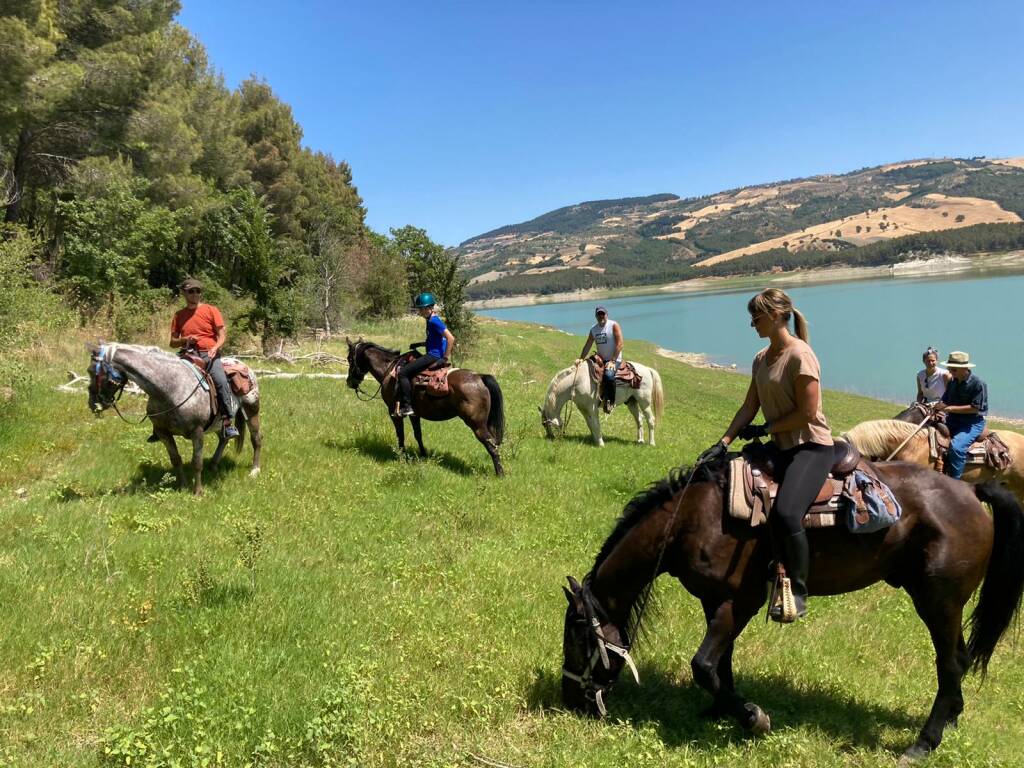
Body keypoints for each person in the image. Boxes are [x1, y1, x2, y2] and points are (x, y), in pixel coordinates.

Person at [696, 288, 833, 622]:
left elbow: (808, 413)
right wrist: (723, 442)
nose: (752, 324)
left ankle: (798, 589)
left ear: (774, 316)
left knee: (787, 513)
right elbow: (748, 406)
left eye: (755, 318)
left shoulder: (801, 355)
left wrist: (766, 428)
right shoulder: (760, 359)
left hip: (811, 446)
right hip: (781, 445)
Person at [168, 277, 238, 439]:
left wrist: (215, 348)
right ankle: (161, 422)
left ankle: (228, 422)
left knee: (220, 381)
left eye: (198, 291)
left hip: (208, 354)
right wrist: (185, 340)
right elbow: (172, 342)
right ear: (184, 293)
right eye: (191, 291)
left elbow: (222, 336)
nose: (195, 294)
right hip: (187, 354)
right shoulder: (179, 315)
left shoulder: (211, 310)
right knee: (166, 379)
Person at [395, 292, 456, 417]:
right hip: (433, 353)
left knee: (403, 373)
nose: (421, 311)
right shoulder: (430, 320)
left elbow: (450, 338)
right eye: (420, 309)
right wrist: (420, 344)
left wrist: (444, 358)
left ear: (430, 308)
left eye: (423, 309)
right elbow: (437, 339)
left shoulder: (434, 321)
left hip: (433, 356)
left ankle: (408, 407)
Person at [933, 350, 987, 479]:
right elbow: (946, 400)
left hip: (971, 424)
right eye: (949, 368)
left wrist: (950, 409)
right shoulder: (952, 381)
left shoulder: (978, 384)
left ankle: (955, 482)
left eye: (954, 369)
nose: (950, 372)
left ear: (965, 369)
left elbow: (976, 408)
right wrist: (938, 407)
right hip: (952, 420)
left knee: (956, 447)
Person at [576, 306, 623, 413]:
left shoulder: (613, 325)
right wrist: (581, 359)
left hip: (614, 359)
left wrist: (613, 361)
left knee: (609, 376)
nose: (601, 316)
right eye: (599, 314)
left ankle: (610, 402)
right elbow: (588, 345)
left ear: (607, 314)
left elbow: (620, 344)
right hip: (601, 360)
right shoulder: (593, 329)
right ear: (596, 316)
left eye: (603, 314)